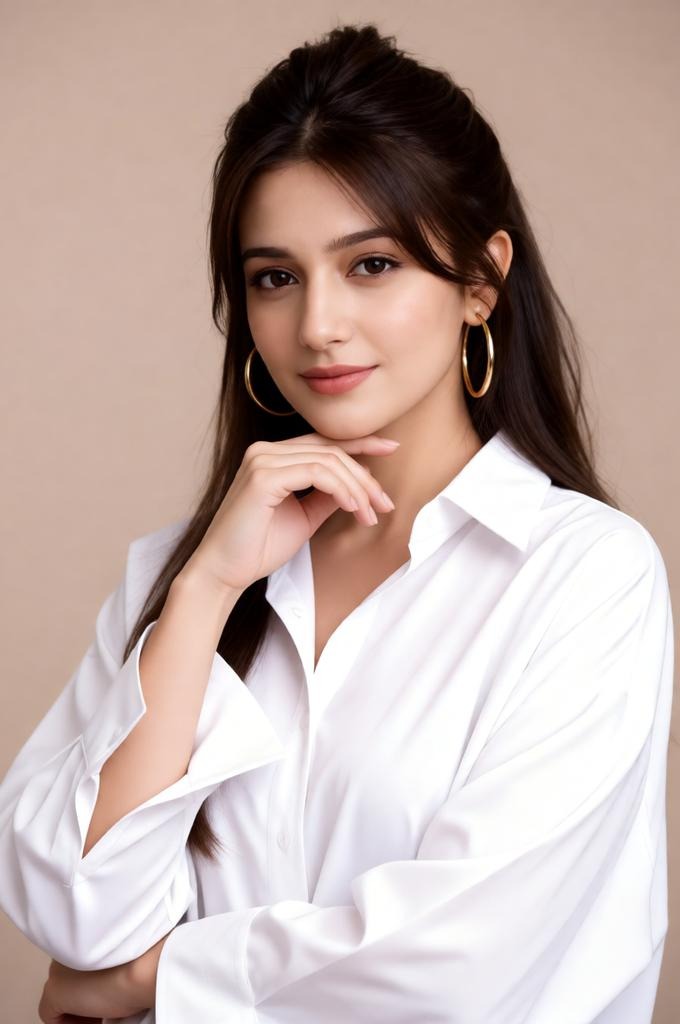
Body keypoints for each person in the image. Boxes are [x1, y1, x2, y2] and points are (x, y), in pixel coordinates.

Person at [0, 21, 674, 1024]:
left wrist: (158, 979)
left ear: (479, 281)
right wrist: (201, 594)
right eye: (274, 276)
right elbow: (76, 914)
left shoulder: (580, 575)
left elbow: (467, 967)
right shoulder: (183, 578)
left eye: (371, 265)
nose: (316, 325)